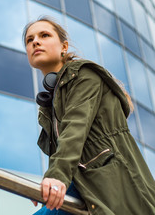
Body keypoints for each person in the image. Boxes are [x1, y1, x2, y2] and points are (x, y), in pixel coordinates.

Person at [23, 16, 155, 214]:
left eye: (44, 35)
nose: (35, 41)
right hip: (82, 185)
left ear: (63, 47)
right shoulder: (50, 104)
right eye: (29, 40)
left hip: (113, 185)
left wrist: (56, 177)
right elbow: (63, 153)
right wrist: (49, 186)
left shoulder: (84, 76)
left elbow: (75, 129)